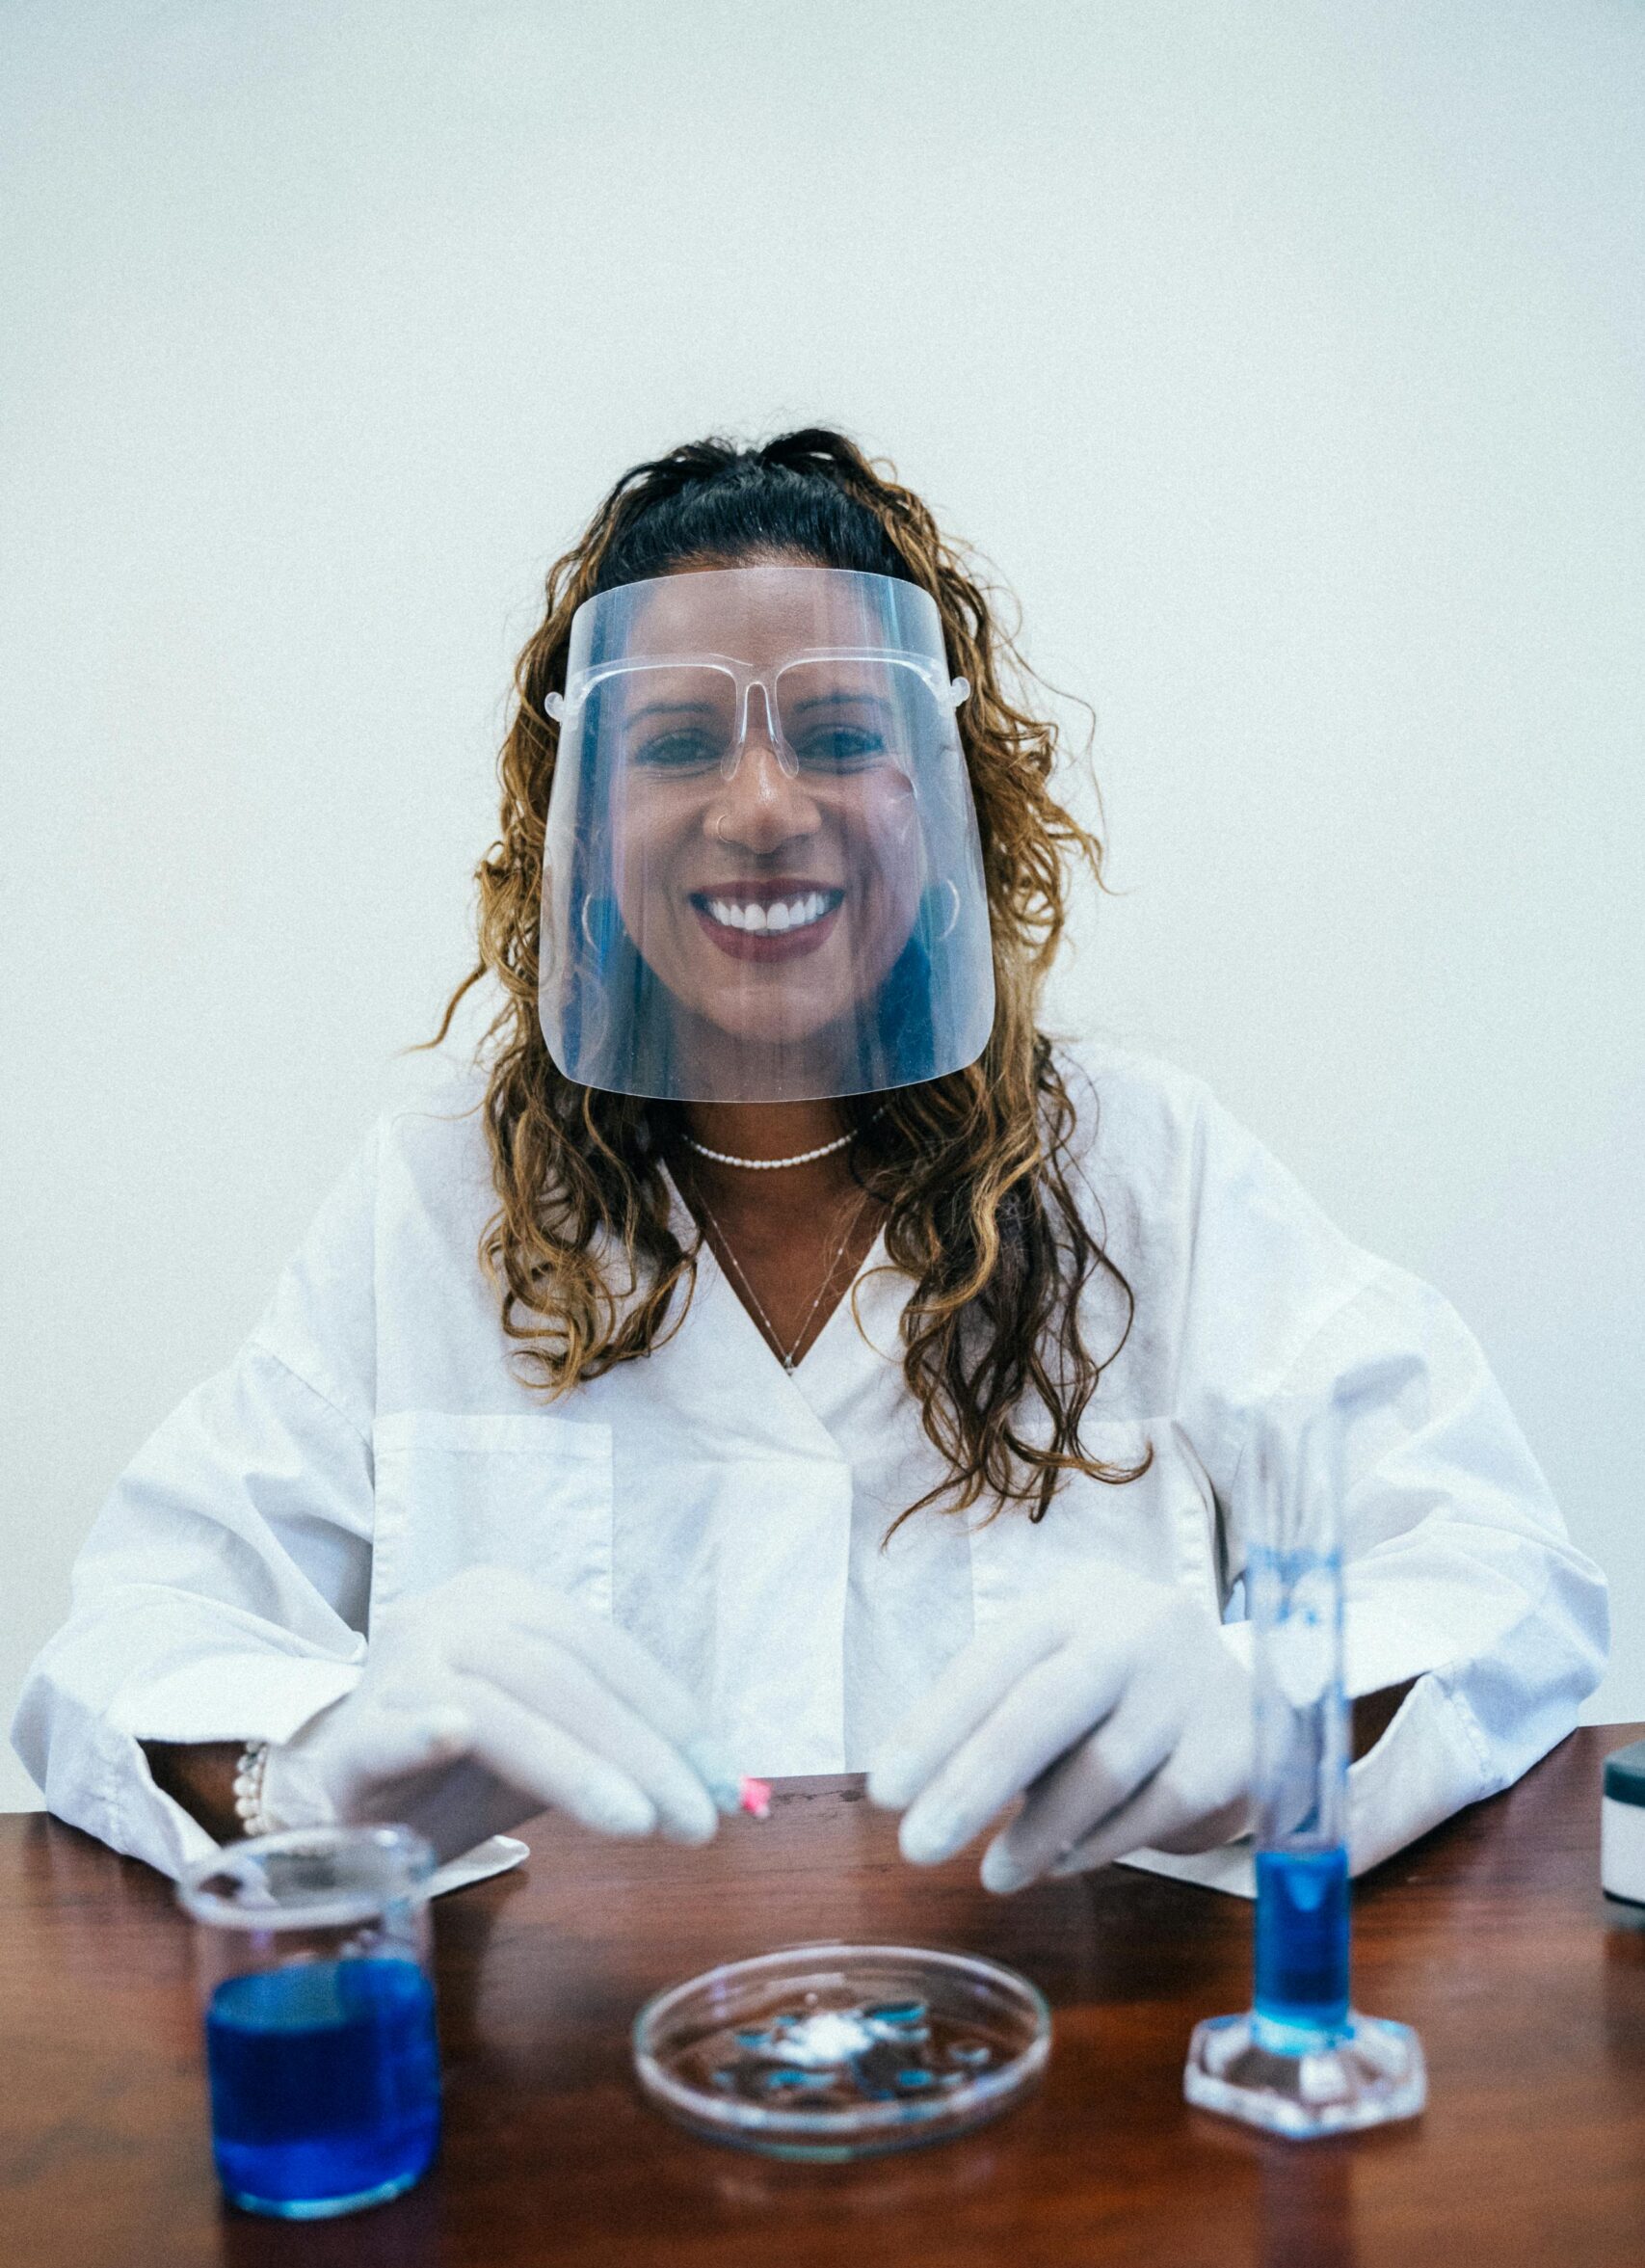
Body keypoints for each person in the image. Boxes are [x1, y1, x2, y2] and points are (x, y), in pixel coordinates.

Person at [13, 430, 1607, 1898]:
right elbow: (124, 1648)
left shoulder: (1140, 1166)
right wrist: (302, 1772)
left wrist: (1277, 1713)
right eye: (677, 743)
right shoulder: (438, 1201)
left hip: (1066, 2111)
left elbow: (1501, 1575)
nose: (763, 805)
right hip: (574, 2138)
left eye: (842, 733)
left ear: (947, 798)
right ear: (577, 812)